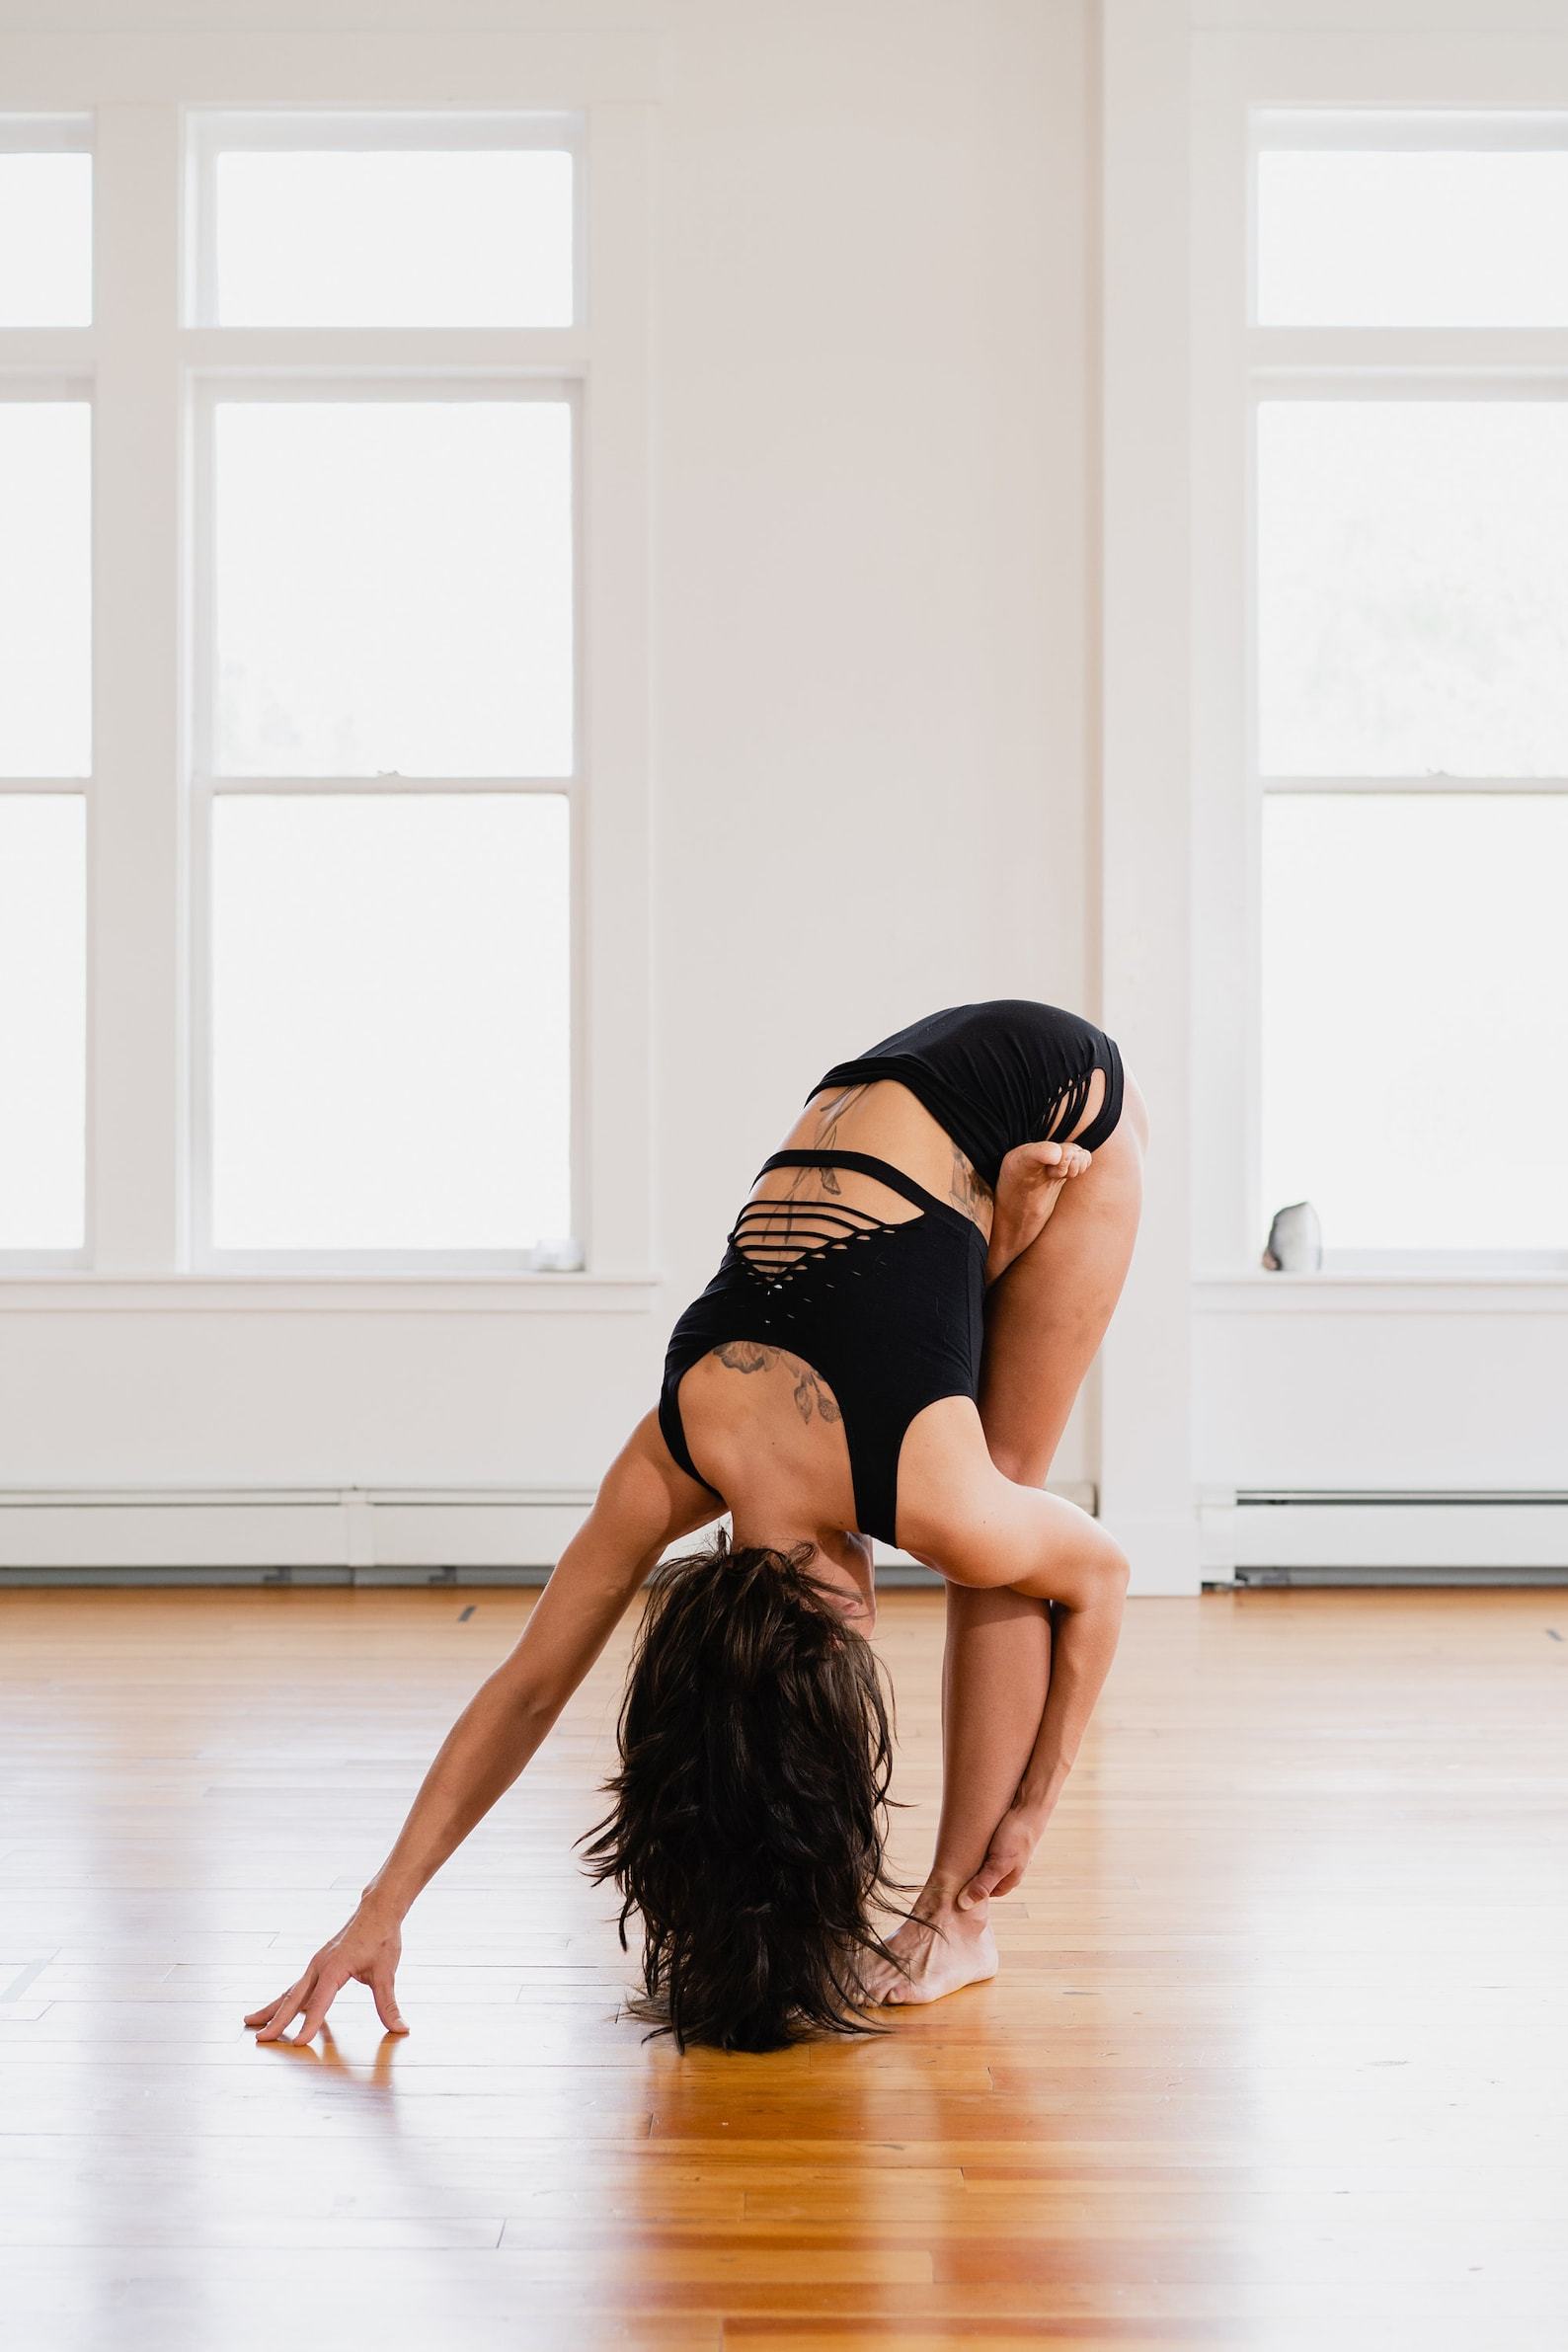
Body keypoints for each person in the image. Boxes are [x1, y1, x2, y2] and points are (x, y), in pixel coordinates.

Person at [245, 1000, 1148, 2055]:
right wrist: (379, 1907)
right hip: (888, 1100)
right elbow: (529, 1686)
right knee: (982, 1497)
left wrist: (1032, 1811)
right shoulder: (673, 1448)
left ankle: (959, 1916)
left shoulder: (929, 1492)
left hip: (1054, 1091)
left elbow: (1102, 1576)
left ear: (841, 1616)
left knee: (1004, 1510)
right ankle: (993, 1234)